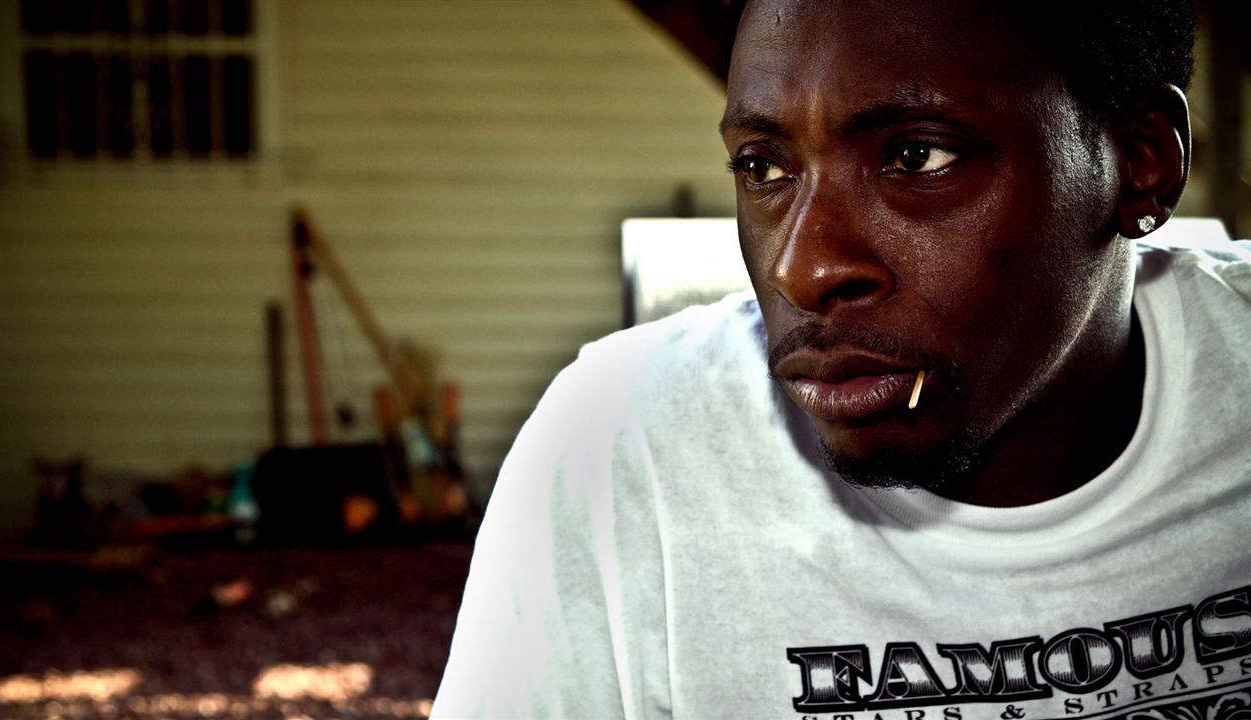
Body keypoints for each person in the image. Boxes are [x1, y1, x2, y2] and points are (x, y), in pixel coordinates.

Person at [433, 1, 1251, 717]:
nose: (801, 268)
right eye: (763, 167)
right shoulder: (621, 445)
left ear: (1142, 161)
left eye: (917, 158)